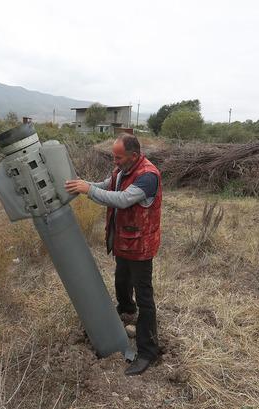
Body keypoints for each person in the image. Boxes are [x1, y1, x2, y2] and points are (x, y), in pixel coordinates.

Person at [65, 133, 162, 376]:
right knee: (121, 281)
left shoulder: (148, 176)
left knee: (145, 298)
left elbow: (121, 200)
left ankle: (148, 351)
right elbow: (108, 185)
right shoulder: (123, 170)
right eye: (114, 156)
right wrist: (82, 186)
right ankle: (126, 313)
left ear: (134, 155)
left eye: (118, 157)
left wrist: (88, 190)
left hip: (140, 247)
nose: (115, 161)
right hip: (125, 243)